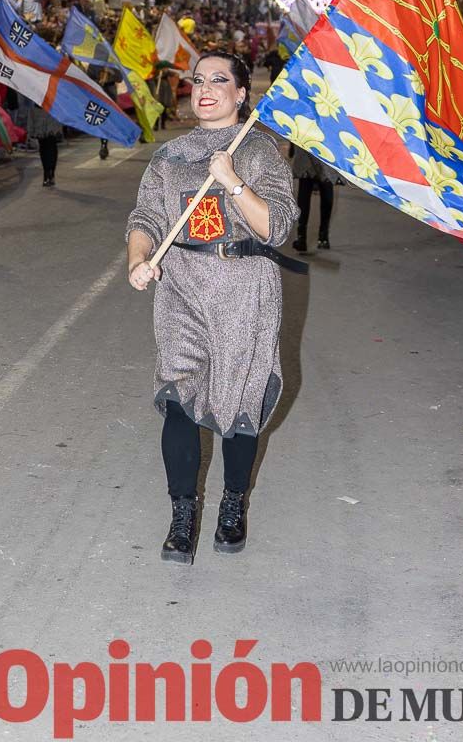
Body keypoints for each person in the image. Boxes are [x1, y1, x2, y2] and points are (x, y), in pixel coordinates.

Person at [126, 51, 300, 564]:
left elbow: (278, 229)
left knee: (238, 405)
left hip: (246, 290)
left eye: (218, 80)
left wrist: (232, 181)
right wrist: (139, 258)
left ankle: (233, 502)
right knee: (178, 398)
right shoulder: (170, 156)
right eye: (198, 80)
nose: (205, 88)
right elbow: (146, 217)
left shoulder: (261, 152)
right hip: (182, 286)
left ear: (242, 93)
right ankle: (182, 513)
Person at [291, 144, 334, 251]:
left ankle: (302, 237)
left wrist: (292, 148)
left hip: (307, 149)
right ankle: (323, 237)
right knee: (326, 194)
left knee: (304, 195)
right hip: (325, 152)